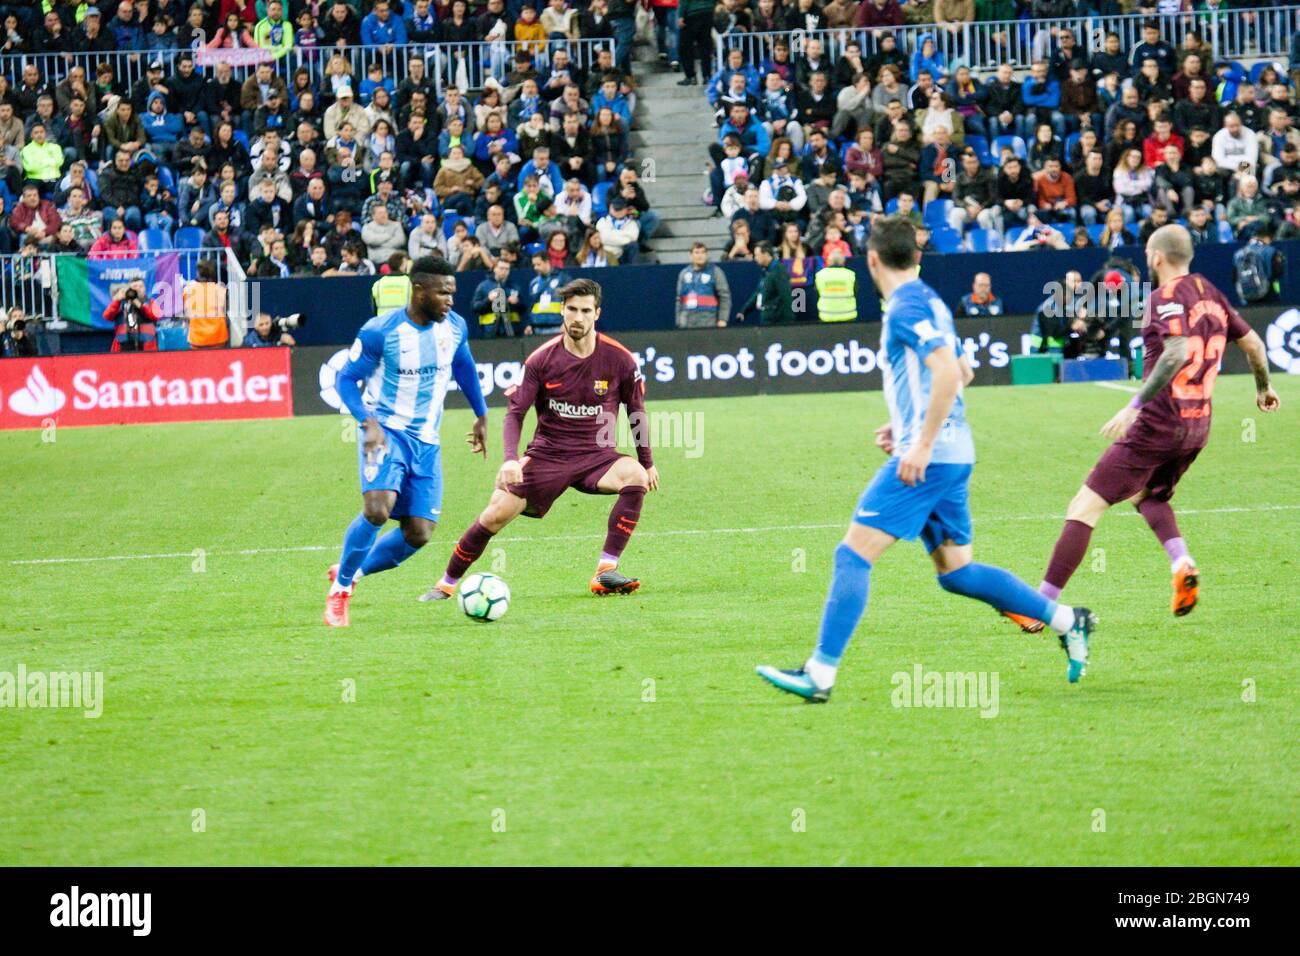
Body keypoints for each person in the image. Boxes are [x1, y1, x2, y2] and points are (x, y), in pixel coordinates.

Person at [756, 217, 1098, 702]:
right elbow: (966, 370)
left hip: (932, 458)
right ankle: (1068, 619)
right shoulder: (931, 299)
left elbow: (947, 374)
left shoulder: (906, 305)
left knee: (851, 554)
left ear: (872, 260)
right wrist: (907, 426)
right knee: (956, 573)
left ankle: (820, 675)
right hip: (956, 454)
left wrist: (918, 442)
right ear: (915, 257)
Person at [1010, 225, 1279, 637]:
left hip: (1158, 422)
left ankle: (1039, 607)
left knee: (1084, 506)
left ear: (1155, 257)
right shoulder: (1211, 291)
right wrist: (1263, 387)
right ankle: (1181, 562)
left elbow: (1177, 351)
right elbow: (1255, 346)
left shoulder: (1162, 299)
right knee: (1146, 495)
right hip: (1198, 424)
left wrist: (1133, 406)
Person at [421, 279, 658, 601]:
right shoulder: (541, 360)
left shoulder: (620, 359)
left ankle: (606, 571)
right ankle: (445, 585)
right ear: (562, 310)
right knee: (494, 515)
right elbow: (515, 413)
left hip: (597, 456)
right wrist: (510, 458)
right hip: (548, 456)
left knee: (636, 477)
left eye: (585, 310)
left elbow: (636, 412)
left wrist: (648, 463)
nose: (577, 317)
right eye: (571, 309)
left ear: (597, 314)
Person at [324, 257, 489, 628]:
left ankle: (351, 571)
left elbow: (463, 366)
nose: (450, 300)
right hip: (385, 432)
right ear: (418, 290)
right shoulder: (380, 332)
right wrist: (367, 423)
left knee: (418, 533)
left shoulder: (455, 328)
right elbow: (346, 380)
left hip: (426, 442)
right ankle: (341, 591)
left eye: (453, 293)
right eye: (443, 293)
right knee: (378, 510)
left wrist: (481, 414)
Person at [675, 242, 731, 328]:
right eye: (697, 252)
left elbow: (725, 297)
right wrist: (678, 320)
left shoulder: (715, 272)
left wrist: (723, 319)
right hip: (686, 319)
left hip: (708, 319)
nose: (700, 255)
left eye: (703, 252)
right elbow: (679, 299)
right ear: (691, 255)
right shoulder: (684, 273)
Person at [736, 241, 794, 324]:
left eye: (757, 255)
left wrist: (786, 324)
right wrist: (744, 311)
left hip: (776, 323)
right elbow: (759, 293)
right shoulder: (765, 271)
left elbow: (786, 297)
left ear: (766, 254)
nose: (755, 258)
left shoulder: (779, 271)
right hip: (766, 320)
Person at [105, 280, 163, 353]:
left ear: (145, 289)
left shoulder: (150, 302)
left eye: (140, 286)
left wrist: (141, 306)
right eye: (134, 286)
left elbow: (156, 316)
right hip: (123, 344)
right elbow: (107, 316)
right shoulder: (120, 303)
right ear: (129, 289)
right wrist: (117, 301)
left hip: (146, 344)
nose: (138, 288)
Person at [471, 258, 524, 337]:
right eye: (501, 268)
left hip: (511, 330)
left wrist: (517, 303)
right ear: (494, 269)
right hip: (490, 330)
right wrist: (488, 299)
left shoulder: (514, 287)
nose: (504, 271)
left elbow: (523, 309)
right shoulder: (483, 286)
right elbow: (474, 308)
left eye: (507, 269)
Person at [184, 259, 229, 349]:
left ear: (198, 272)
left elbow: (187, 315)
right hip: (218, 337)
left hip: (197, 339)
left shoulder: (188, 289)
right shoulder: (221, 289)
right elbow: (225, 313)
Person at [526, 249, 568, 335]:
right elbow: (531, 306)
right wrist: (529, 324)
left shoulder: (562, 279)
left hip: (557, 327)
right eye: (534, 265)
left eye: (538, 264)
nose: (535, 268)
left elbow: (570, 302)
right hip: (537, 329)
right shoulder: (533, 283)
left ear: (547, 262)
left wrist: (566, 323)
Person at [813, 248, 857, 322]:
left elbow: (816, 292)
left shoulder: (820, 275)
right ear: (843, 261)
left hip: (826, 315)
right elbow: (855, 291)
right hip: (848, 315)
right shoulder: (850, 274)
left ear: (828, 261)